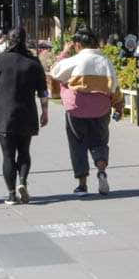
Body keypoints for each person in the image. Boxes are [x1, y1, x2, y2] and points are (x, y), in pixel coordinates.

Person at [0, 27, 49, 205]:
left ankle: (11, 194)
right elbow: (43, 90)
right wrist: (45, 112)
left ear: (8, 40)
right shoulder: (33, 62)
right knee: (24, 151)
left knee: (8, 155)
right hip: (26, 112)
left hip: (2, 113)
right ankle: (23, 182)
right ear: (25, 40)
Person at [48, 29, 117, 196]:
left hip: (76, 109)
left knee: (77, 145)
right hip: (101, 109)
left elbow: (55, 71)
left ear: (77, 44)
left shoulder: (75, 60)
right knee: (100, 142)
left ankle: (82, 184)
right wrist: (118, 105)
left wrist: (65, 52)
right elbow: (114, 85)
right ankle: (101, 171)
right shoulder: (105, 61)